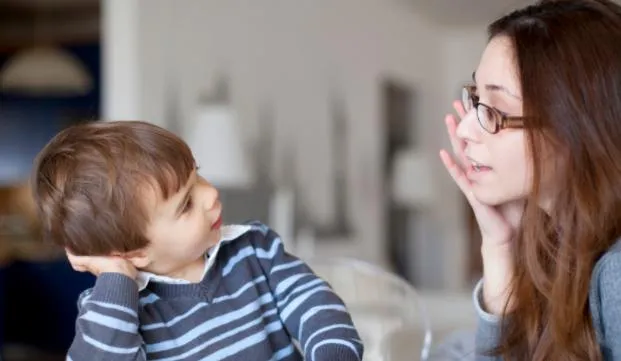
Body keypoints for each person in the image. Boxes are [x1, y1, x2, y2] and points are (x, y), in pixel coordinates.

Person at [31, 120, 363, 361]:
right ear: (135, 252)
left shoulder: (254, 249)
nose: (210, 194)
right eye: (186, 204)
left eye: (197, 174)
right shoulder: (118, 313)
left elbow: (316, 305)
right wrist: (117, 276)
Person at [439, 0, 621, 360]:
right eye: (475, 100)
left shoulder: (615, 272)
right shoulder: (556, 245)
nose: (464, 129)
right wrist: (499, 246)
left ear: (576, 129)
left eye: (494, 111)